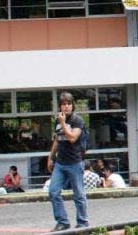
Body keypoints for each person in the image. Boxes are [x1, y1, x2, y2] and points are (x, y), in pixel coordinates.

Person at [48, 91, 88, 231]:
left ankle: (82, 223)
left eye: (69, 104)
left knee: (79, 195)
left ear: (73, 105)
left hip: (75, 163)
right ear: (60, 106)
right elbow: (57, 140)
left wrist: (63, 123)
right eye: (63, 104)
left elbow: (72, 138)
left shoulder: (78, 120)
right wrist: (50, 156)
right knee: (53, 192)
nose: (66, 107)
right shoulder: (57, 120)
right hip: (60, 163)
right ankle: (63, 221)